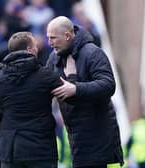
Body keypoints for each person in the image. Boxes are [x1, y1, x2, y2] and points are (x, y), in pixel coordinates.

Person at [46, 16, 124, 168]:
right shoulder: (53, 57)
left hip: (97, 137)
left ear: (67, 36)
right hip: (75, 137)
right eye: (48, 38)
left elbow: (108, 85)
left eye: (53, 38)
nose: (49, 43)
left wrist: (75, 89)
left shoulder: (93, 53)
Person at [0, 31, 64, 168]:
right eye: (35, 46)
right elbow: (70, 95)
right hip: (41, 150)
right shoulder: (47, 76)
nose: (37, 48)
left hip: (10, 150)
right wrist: (72, 75)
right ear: (30, 49)